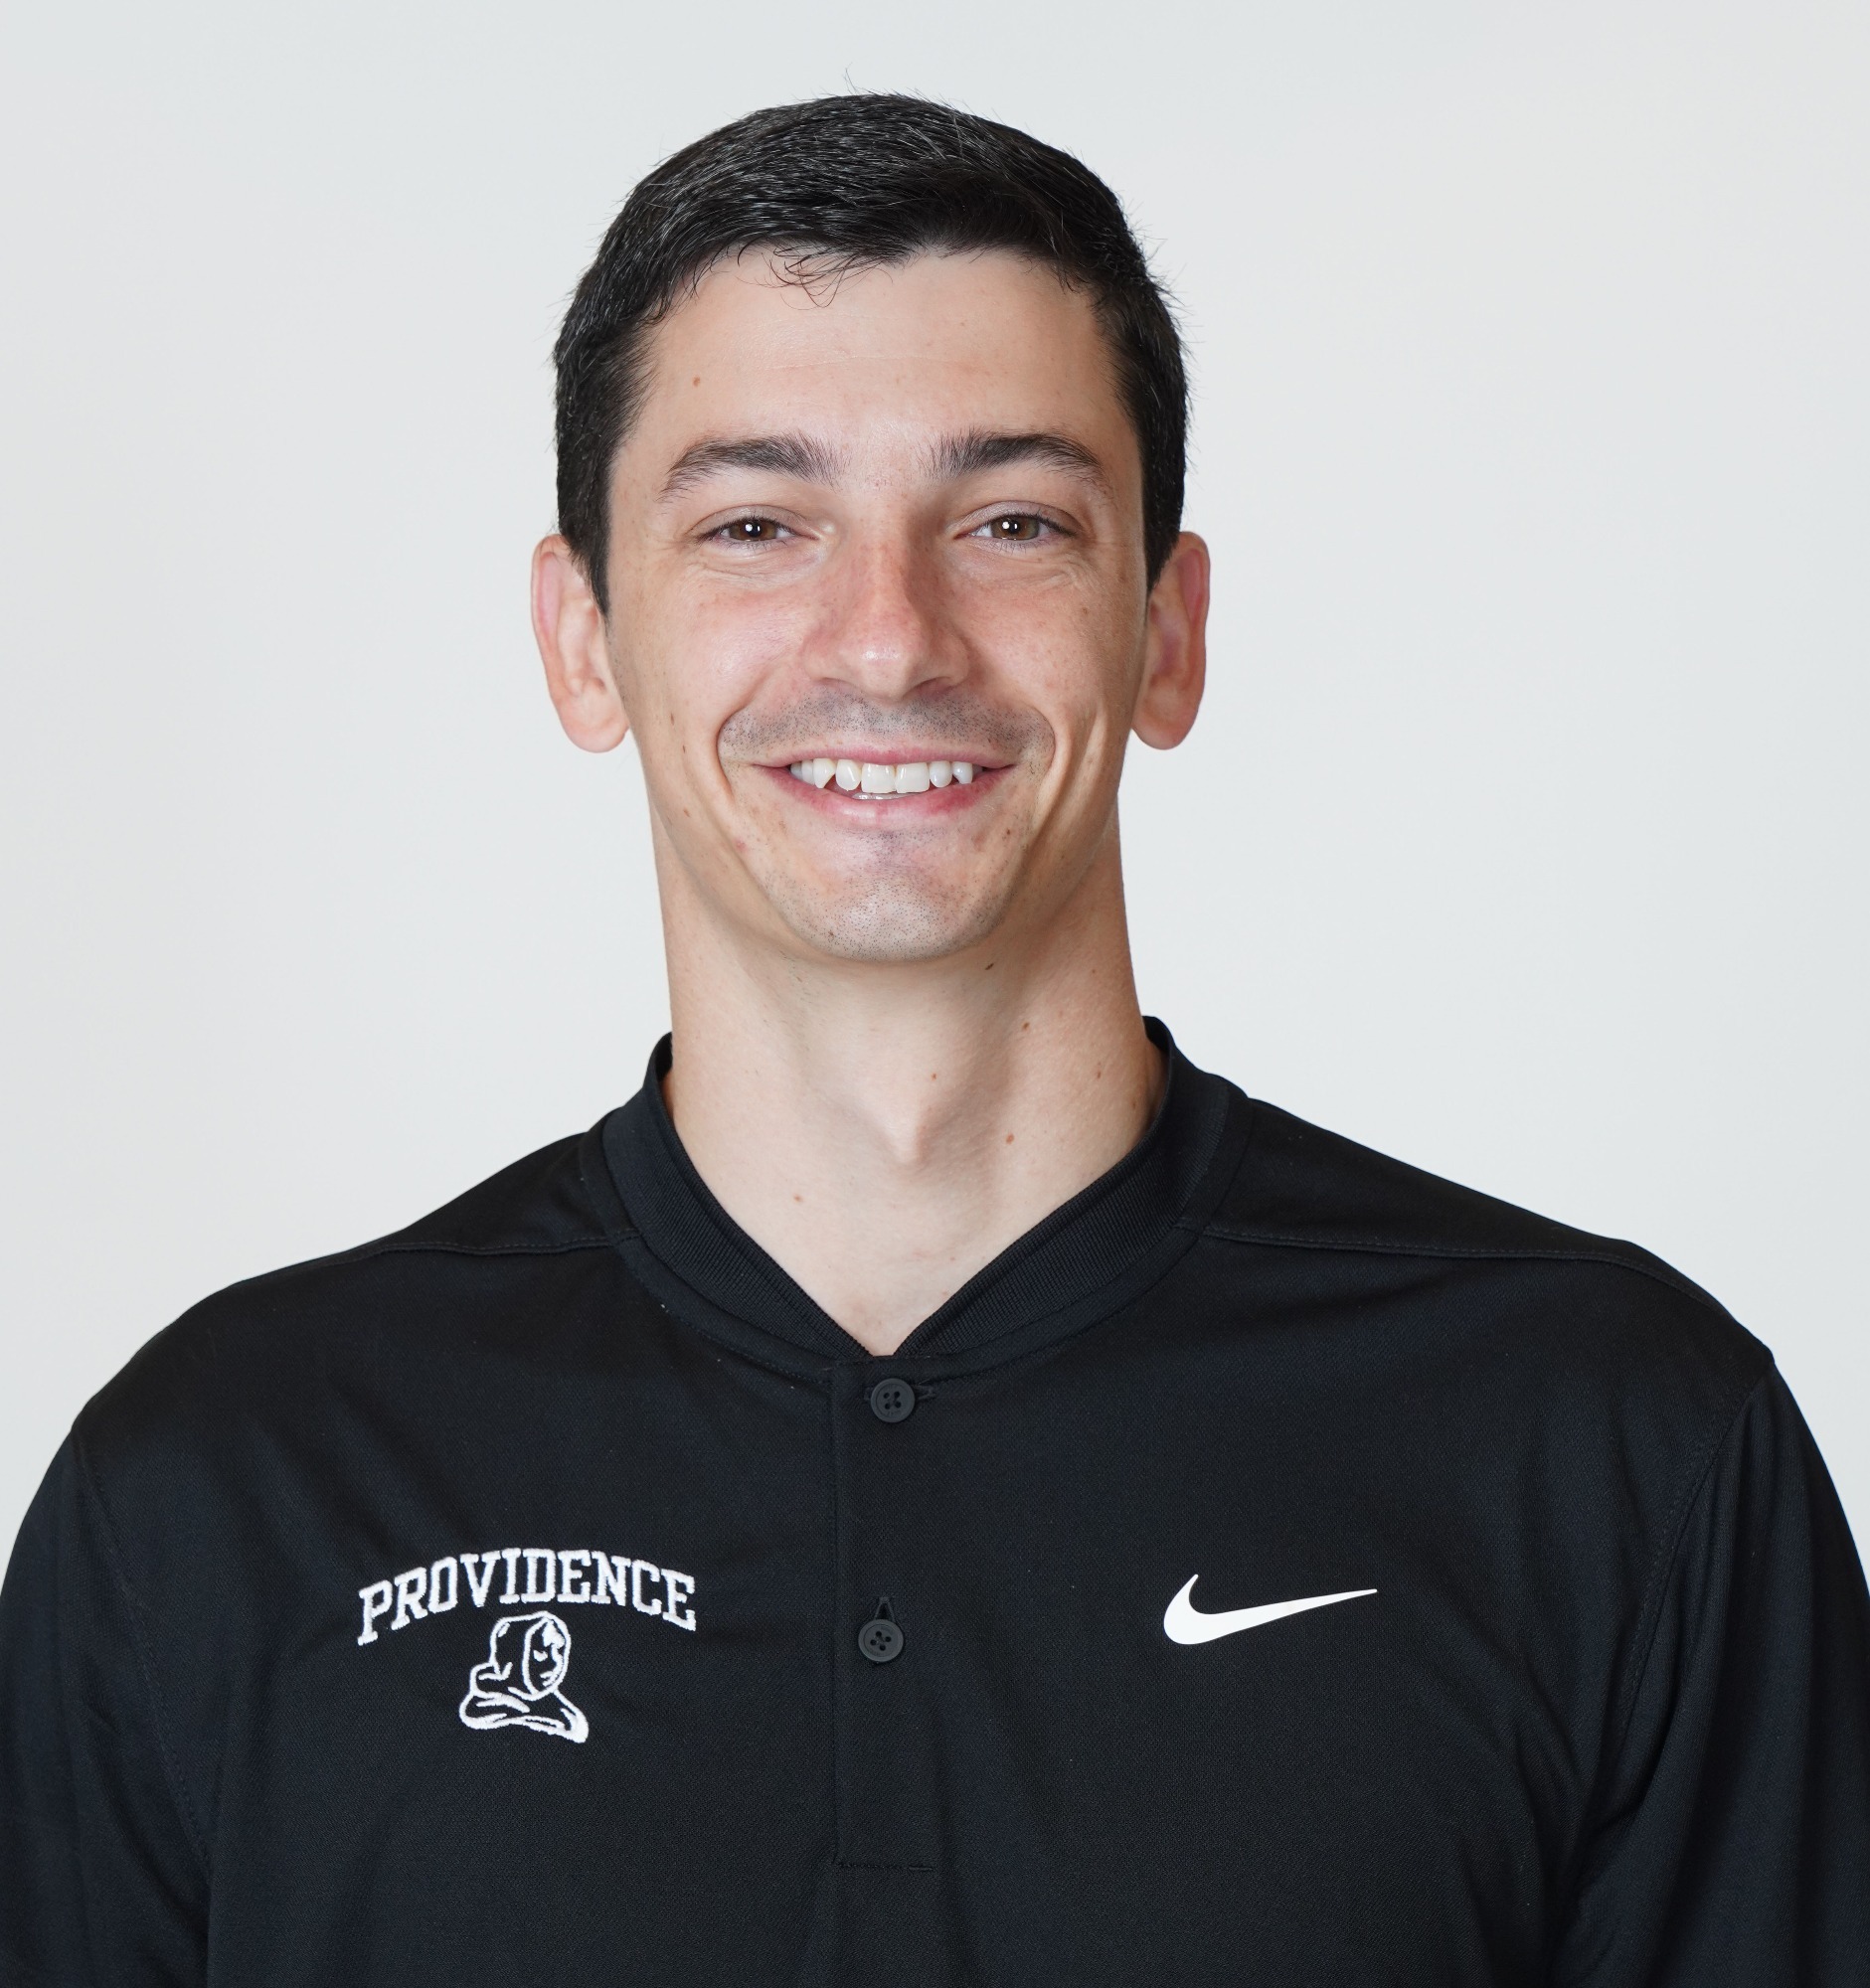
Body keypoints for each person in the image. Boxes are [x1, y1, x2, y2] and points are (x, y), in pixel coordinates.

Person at [2, 91, 1865, 1986]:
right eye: (755, 523)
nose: (887, 639)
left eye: (1011, 522)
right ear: (581, 638)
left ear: (1164, 631)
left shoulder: (1609, 1450)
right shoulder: (224, 1489)